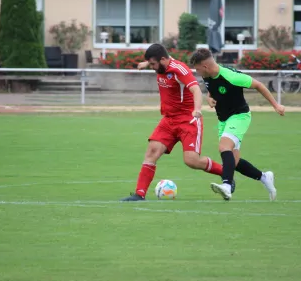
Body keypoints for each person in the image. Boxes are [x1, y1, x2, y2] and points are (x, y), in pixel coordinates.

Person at [121, 44, 223, 201]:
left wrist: (197, 109)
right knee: (152, 152)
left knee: (191, 161)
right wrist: (146, 63)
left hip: (188, 119)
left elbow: (196, 89)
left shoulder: (179, 70)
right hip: (169, 119)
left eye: (154, 64)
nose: (153, 68)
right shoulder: (161, 64)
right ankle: (139, 194)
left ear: (163, 59)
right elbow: (156, 61)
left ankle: (225, 173)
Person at [189, 48, 286, 201]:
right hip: (223, 120)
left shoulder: (231, 76)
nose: (197, 72)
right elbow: (212, 87)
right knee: (234, 162)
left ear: (205, 66)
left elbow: (259, 85)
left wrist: (276, 105)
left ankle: (227, 186)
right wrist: (210, 97)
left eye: (197, 68)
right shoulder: (208, 75)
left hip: (239, 116)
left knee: (223, 147)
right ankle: (264, 177)